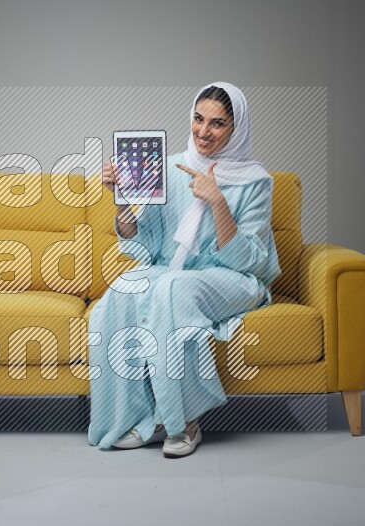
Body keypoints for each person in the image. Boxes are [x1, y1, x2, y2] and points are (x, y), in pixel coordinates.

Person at [86, 82, 281, 458]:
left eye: (218, 124)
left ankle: (183, 420)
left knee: (172, 290)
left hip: (232, 279)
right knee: (125, 288)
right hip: (172, 271)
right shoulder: (172, 168)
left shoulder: (256, 182)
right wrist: (122, 200)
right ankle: (137, 417)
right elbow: (146, 246)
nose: (203, 132)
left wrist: (218, 201)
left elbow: (251, 261)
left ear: (236, 129)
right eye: (198, 119)